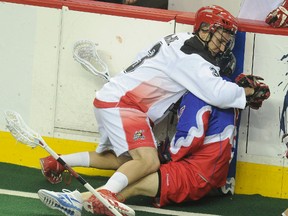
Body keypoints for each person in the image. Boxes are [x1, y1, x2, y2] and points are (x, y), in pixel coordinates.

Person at [38, 5, 256, 216]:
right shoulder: (193, 60)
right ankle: (105, 194)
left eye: (227, 42)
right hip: (125, 105)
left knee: (124, 161)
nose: (222, 47)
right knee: (148, 161)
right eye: (220, 39)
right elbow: (217, 93)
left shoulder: (178, 38)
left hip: (113, 98)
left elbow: (143, 57)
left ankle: (58, 161)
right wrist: (247, 91)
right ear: (205, 29)